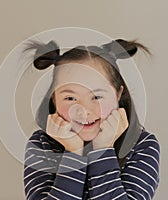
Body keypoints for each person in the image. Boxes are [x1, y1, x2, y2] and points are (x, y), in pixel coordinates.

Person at [23, 39, 160, 200]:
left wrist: (103, 150)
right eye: (70, 98)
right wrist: (73, 154)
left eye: (96, 96)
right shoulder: (41, 145)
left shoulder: (142, 145)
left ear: (118, 94)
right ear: (54, 99)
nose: (84, 111)